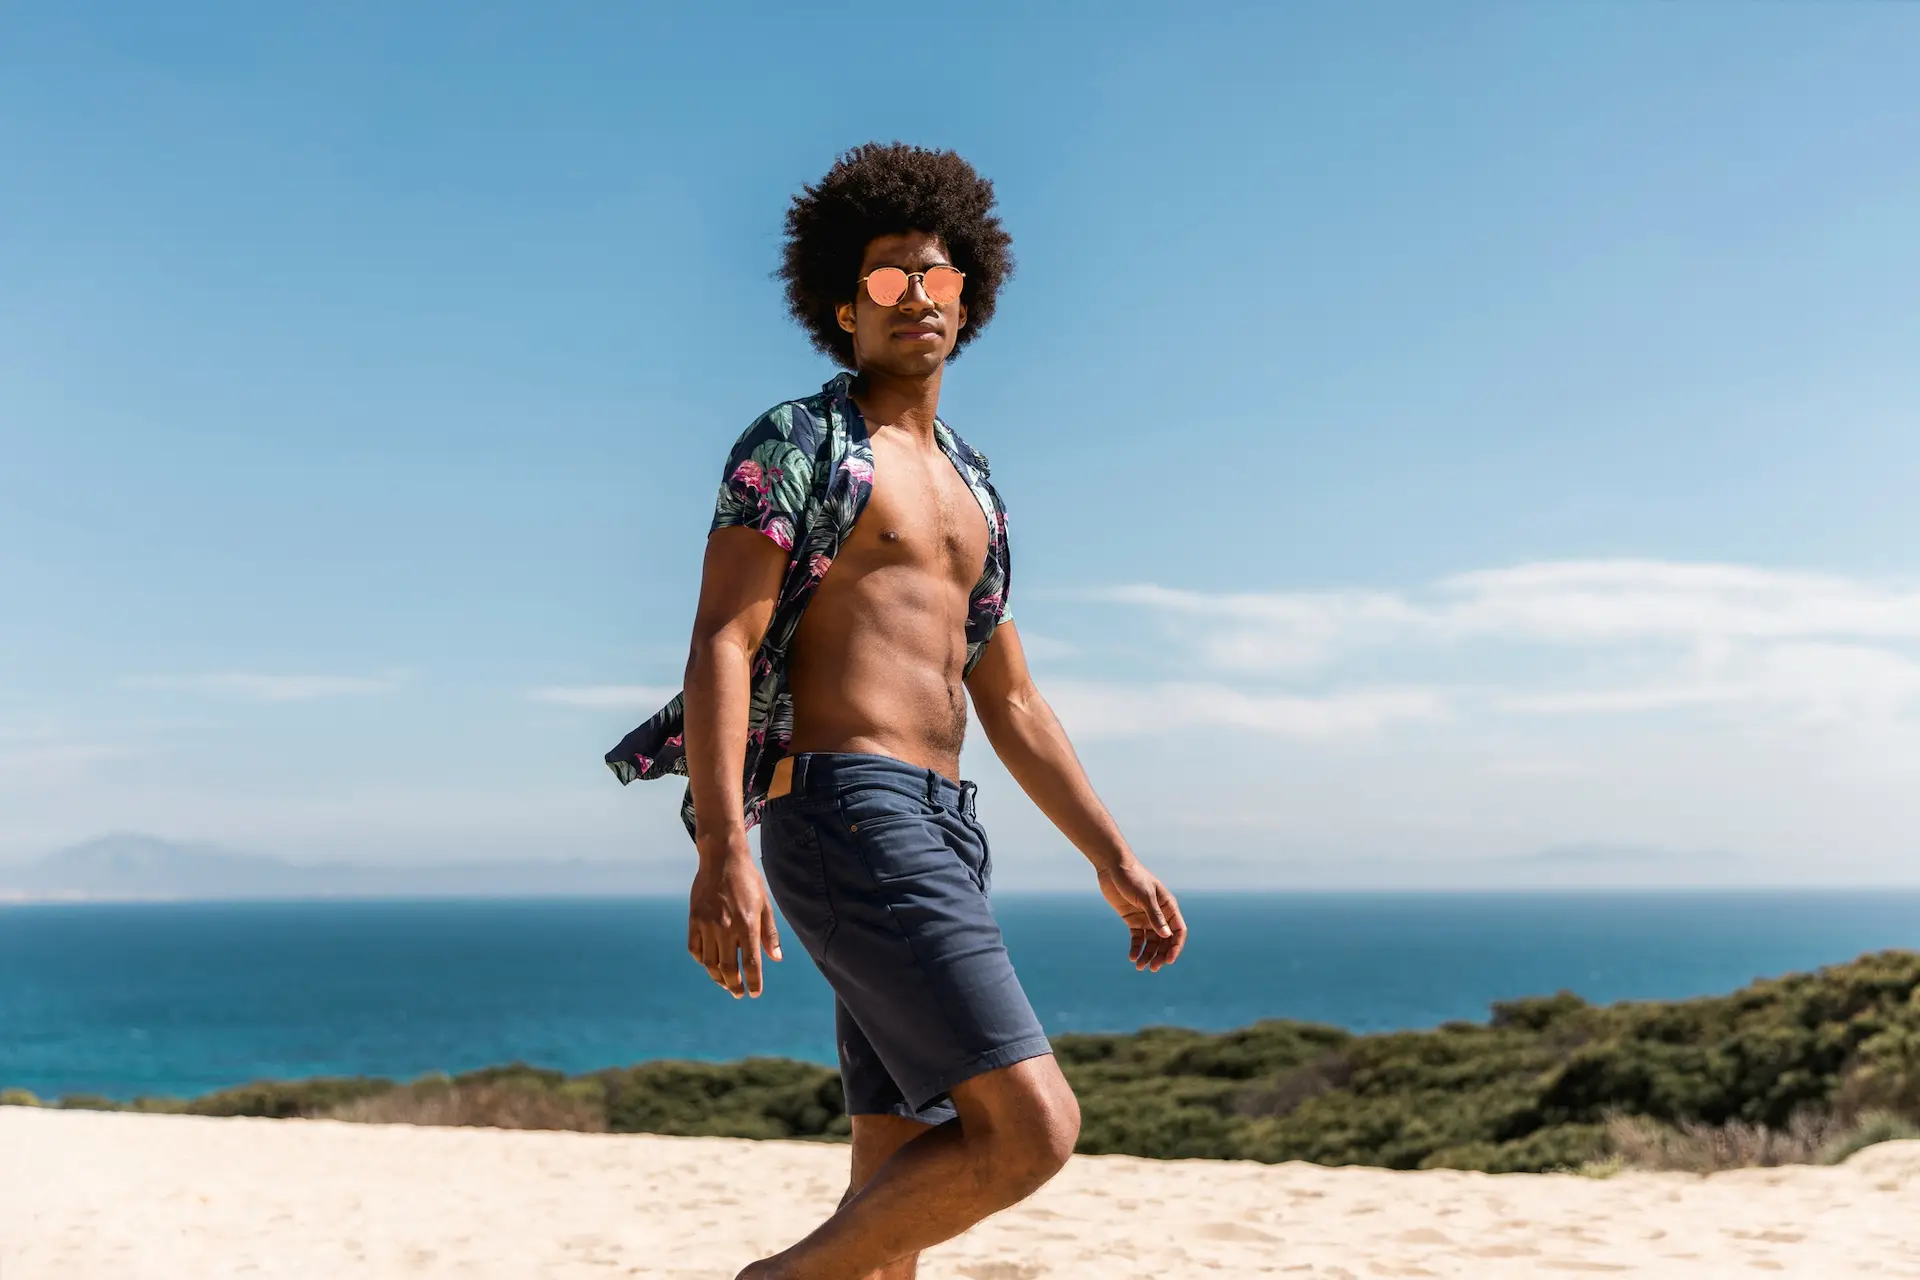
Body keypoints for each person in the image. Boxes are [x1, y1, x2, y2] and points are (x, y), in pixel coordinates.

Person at [606, 142, 1188, 1280]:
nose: (914, 296)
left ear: (968, 293)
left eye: (934, 274)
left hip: (943, 825)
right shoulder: (800, 444)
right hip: (847, 809)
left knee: (894, 1186)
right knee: (1032, 1126)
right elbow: (724, 634)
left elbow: (1009, 692)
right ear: (843, 306)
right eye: (884, 279)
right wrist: (725, 840)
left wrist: (1112, 855)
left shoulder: (976, 486)